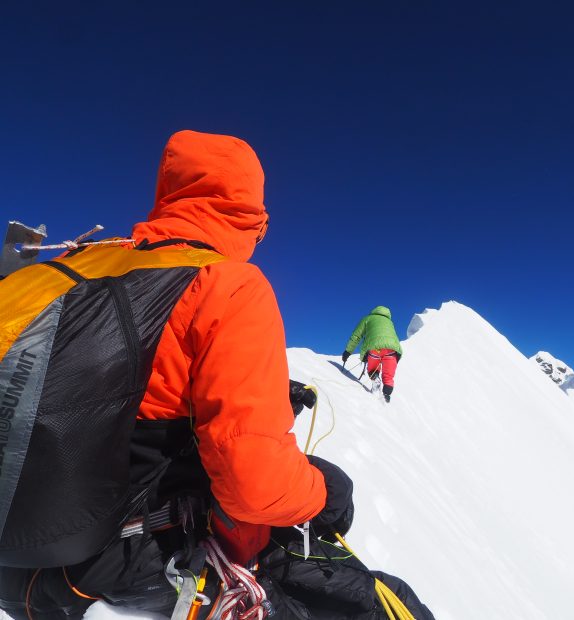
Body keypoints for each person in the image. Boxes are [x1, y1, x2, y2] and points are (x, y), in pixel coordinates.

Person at [0, 130, 432, 620]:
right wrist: (327, 493)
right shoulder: (225, 283)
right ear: (253, 216)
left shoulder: (54, 270)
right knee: (378, 601)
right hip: (124, 569)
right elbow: (254, 487)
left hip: (14, 566)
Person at [341, 307, 403, 402]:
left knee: (373, 370)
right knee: (388, 376)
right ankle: (386, 396)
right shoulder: (390, 322)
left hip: (374, 349)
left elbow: (356, 336)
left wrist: (348, 351)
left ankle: (375, 378)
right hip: (392, 351)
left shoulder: (367, 318)